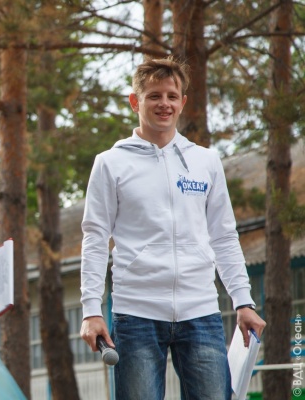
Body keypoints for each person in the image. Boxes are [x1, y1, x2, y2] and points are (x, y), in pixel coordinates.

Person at [79, 57, 266, 399]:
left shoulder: (206, 162)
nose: (163, 103)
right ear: (135, 101)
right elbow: (94, 239)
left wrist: (243, 301)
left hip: (201, 312)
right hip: (136, 314)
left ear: (182, 102)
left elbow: (224, 236)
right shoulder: (110, 163)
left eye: (171, 96)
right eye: (154, 96)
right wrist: (91, 310)